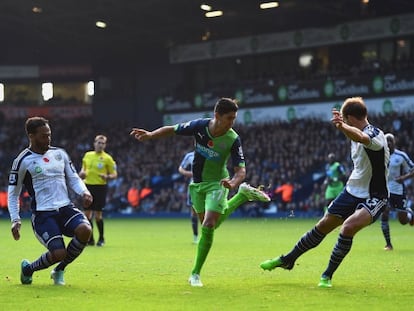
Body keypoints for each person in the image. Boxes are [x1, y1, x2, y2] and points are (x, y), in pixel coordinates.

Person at [130, 97, 270, 287]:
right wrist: (150, 135)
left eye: (234, 118)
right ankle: (243, 196)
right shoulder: (199, 126)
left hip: (218, 183)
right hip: (197, 185)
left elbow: (241, 171)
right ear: (217, 116)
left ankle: (195, 273)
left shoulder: (233, 139)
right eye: (229, 118)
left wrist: (233, 182)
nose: (232, 122)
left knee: (209, 224)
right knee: (210, 224)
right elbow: (172, 129)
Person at [260, 97, 389, 288]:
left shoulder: (376, 134)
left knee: (348, 228)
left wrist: (342, 127)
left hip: (375, 195)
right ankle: (288, 259)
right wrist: (344, 127)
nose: (344, 124)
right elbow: (355, 136)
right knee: (323, 226)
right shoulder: (353, 132)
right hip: (351, 191)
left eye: (345, 120)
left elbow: (362, 138)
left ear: (350, 118)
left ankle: (326, 276)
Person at [7, 116, 93, 285]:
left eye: (49, 134)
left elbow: (73, 177)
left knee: (85, 230)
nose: (48, 138)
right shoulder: (22, 161)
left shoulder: (59, 154)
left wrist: (84, 192)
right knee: (58, 253)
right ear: (31, 136)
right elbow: (13, 193)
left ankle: (59, 270)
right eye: (43, 135)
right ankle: (28, 269)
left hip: (65, 208)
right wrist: (15, 220)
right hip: (43, 214)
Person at [79, 134, 117, 246]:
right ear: (94, 143)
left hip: (100, 188)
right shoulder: (87, 155)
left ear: (105, 145)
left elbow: (114, 174)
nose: (100, 145)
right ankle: (90, 239)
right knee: (87, 215)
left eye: (103, 143)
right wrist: (82, 173)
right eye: (99, 143)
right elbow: (83, 169)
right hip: (87, 187)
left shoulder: (108, 158)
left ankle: (101, 239)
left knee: (98, 215)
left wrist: (108, 177)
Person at [381, 133, 414, 251]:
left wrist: (403, 178)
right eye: (386, 141)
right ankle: (388, 244)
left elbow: (413, 169)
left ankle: (410, 214)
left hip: (399, 191)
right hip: (385, 191)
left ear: (395, 142)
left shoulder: (401, 156)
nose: (388, 143)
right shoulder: (380, 155)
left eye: (390, 141)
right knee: (384, 213)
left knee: (403, 221)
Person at [178, 150, 199, 244]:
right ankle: (195, 237)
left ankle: (206, 235)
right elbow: (181, 168)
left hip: (208, 185)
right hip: (194, 186)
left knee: (208, 211)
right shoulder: (190, 156)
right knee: (194, 212)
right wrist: (189, 173)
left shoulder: (210, 153)